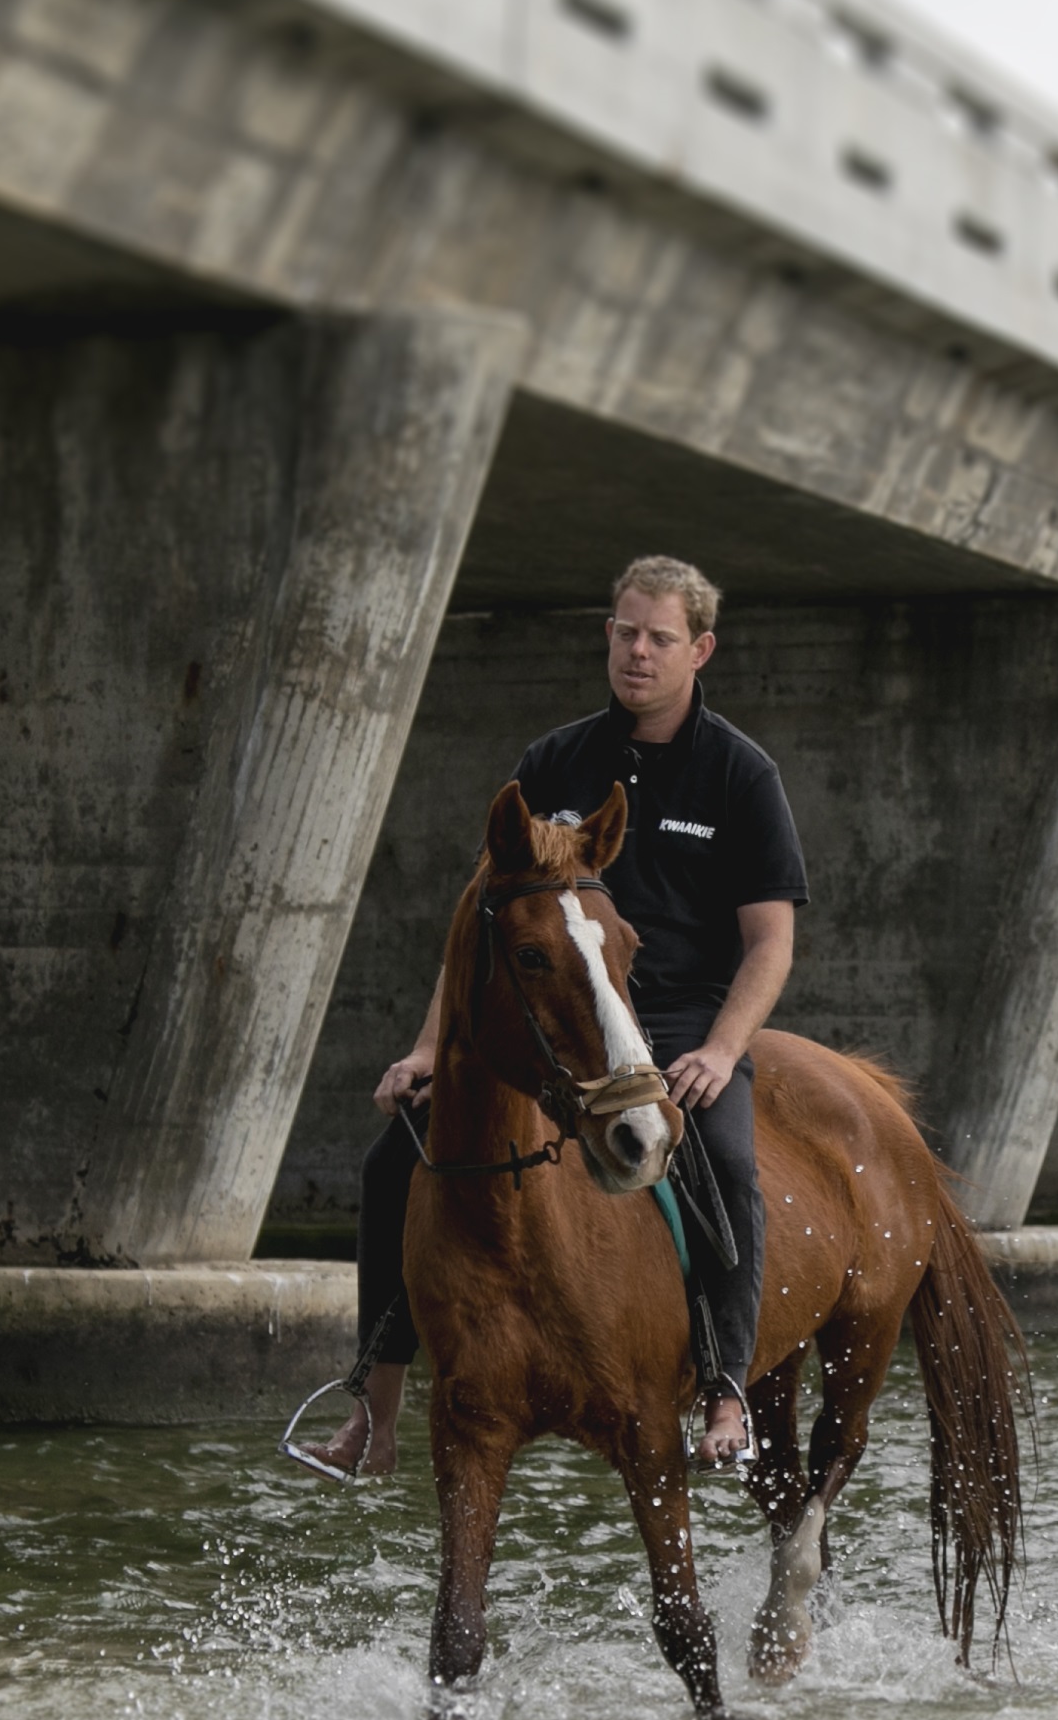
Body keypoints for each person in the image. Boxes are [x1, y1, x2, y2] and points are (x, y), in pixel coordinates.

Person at [302, 556, 805, 1478]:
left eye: (658, 638)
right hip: (556, 1011)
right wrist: (425, 1050)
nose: (637, 653)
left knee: (726, 1162)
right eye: (623, 632)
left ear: (701, 649)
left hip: (682, 1020)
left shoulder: (740, 773)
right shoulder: (555, 760)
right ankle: (375, 1411)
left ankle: (727, 1381)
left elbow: (769, 941)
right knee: (393, 1159)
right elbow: (482, 929)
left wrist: (724, 1051)